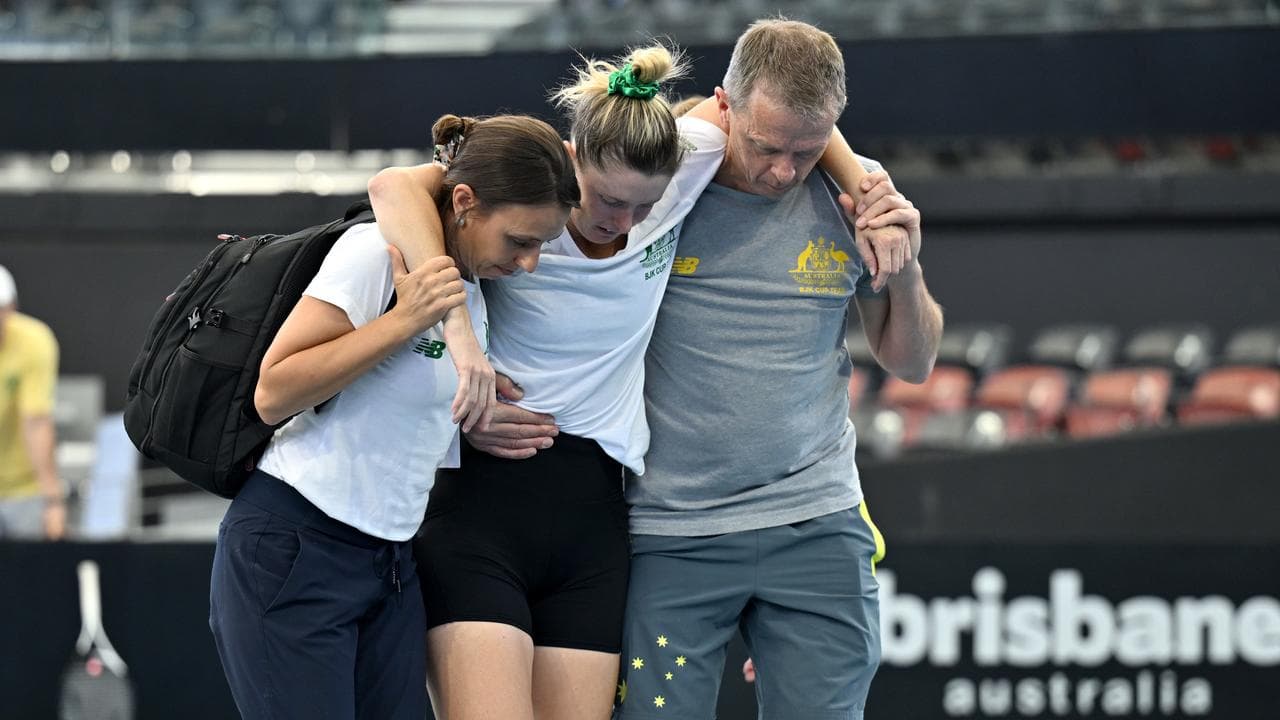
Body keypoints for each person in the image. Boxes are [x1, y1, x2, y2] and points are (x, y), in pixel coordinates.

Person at [367, 40, 906, 720]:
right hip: (480, 499)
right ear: (570, 163)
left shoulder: (682, 165)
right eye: (605, 200)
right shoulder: (528, 197)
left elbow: (792, 107)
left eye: (642, 208)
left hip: (595, 515)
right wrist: (462, 342)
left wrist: (863, 188)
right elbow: (393, 187)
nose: (621, 223)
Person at [610, 19, 944, 720]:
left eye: (807, 148)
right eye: (766, 147)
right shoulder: (657, 188)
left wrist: (906, 270)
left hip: (816, 523)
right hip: (674, 530)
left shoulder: (856, 197)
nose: (784, 170)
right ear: (723, 106)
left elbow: (912, 361)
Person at [207, 113, 578, 720]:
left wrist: (473, 421)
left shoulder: (471, 289)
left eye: (542, 245)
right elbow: (273, 393)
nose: (530, 263)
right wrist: (404, 320)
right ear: (464, 203)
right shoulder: (373, 254)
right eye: (520, 241)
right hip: (295, 546)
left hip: (391, 562)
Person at [0, 264, 65, 540]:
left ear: (12, 308)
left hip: (24, 491)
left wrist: (52, 500)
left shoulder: (34, 340)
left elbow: (37, 422)